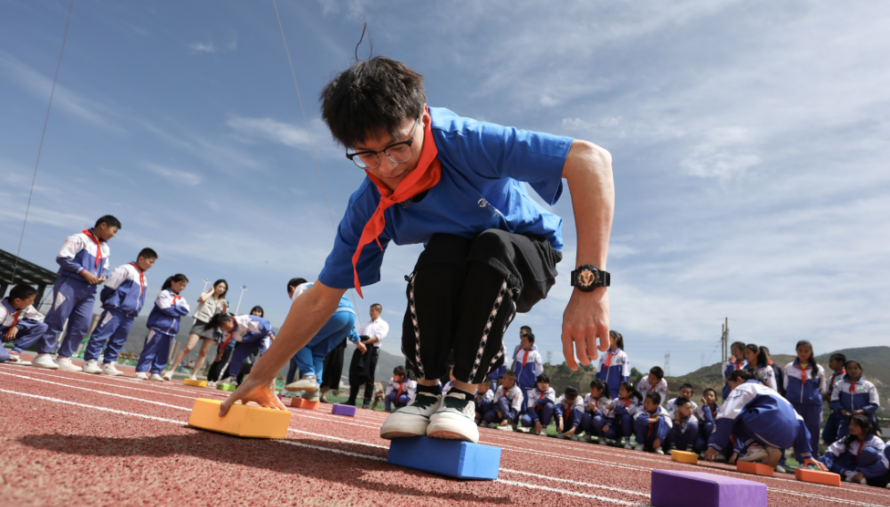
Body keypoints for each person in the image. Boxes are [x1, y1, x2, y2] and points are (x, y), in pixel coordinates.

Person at [218, 57, 614, 448]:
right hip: (457, 262)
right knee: (440, 252)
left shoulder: (465, 141)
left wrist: (590, 287)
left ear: (423, 118)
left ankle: (461, 397)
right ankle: (425, 396)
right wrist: (260, 376)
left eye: (398, 147)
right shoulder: (370, 201)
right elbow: (322, 296)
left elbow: (589, 159)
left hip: (527, 252)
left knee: (489, 243)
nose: (388, 167)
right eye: (368, 156)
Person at [33, 215, 119, 371]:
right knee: (57, 318)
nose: (113, 235)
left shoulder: (105, 247)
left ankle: (63, 357)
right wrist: (84, 272)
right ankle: (43, 354)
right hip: (70, 284)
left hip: (89, 290)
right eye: (113, 231)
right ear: (103, 225)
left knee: (82, 324)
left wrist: (103, 275)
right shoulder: (79, 238)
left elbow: (105, 267)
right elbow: (63, 258)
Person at [704, 370, 819, 470]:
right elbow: (799, 420)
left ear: (739, 379)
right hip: (787, 437)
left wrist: (715, 445)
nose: (731, 390)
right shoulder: (774, 393)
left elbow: (727, 415)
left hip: (769, 427)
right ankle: (770, 448)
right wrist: (806, 454)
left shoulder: (742, 388)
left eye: (730, 386)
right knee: (751, 414)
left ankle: (755, 448)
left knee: (735, 414)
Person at [81, 248, 157, 376]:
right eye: (150, 261)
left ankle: (108, 364)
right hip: (116, 309)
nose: (151, 265)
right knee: (101, 334)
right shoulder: (125, 269)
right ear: (141, 258)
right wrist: (108, 302)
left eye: (153, 263)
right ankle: (90, 361)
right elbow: (110, 286)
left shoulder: (143, 277)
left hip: (130, 314)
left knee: (118, 340)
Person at [282, 278, 361, 400]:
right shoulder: (319, 286)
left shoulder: (300, 288)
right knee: (318, 354)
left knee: (300, 343)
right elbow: (344, 317)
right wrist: (357, 340)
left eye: (290, 296)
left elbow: (296, 316)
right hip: (350, 315)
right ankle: (314, 390)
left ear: (292, 288)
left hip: (334, 314)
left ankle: (308, 378)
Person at [165, 280, 229, 382]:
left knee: (203, 352)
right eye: (220, 286)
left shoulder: (223, 300)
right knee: (188, 347)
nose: (221, 289)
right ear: (215, 286)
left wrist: (225, 309)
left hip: (212, 326)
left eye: (224, 288)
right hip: (200, 323)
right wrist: (211, 291)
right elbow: (201, 299)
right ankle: (171, 371)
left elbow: (223, 316)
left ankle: (193, 375)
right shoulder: (206, 293)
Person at [135, 274, 190, 381]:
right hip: (158, 327)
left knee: (163, 353)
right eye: (180, 284)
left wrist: (173, 306)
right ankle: (141, 371)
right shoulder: (164, 294)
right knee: (150, 349)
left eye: (184, 286)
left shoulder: (181, 298)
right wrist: (178, 309)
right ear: (172, 282)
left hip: (171, 331)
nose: (182, 287)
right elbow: (165, 309)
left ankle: (156, 372)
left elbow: (186, 310)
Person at [783, 340, 827, 458]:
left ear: (811, 352)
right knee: (796, 431)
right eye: (800, 351)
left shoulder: (818, 369)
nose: (803, 353)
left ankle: (811, 460)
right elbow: (785, 386)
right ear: (796, 351)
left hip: (813, 406)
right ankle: (801, 459)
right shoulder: (789, 367)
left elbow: (822, 388)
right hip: (794, 404)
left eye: (806, 351)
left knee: (813, 432)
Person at [818, 414, 890, 486]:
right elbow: (832, 450)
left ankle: (860, 477)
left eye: (855, 425)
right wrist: (826, 466)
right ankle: (850, 475)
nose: (851, 427)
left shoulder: (876, 442)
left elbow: (884, 464)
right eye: (850, 424)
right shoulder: (848, 438)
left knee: (868, 451)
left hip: (870, 472)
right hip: (851, 469)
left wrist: (862, 473)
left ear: (866, 429)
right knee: (823, 460)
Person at [211, 312, 275, 383]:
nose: (227, 329)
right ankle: (232, 377)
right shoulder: (227, 332)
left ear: (231, 320)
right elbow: (224, 344)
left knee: (265, 355)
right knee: (237, 354)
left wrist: (274, 340)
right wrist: (219, 355)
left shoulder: (244, 320)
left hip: (264, 335)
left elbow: (265, 326)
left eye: (227, 327)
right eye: (224, 329)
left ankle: (266, 378)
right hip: (250, 340)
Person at [347, 303, 389, 409]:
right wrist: (360, 343)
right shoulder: (365, 324)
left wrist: (364, 342)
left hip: (372, 351)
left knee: (369, 377)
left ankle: (366, 402)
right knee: (355, 374)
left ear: (378, 311)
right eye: (370, 311)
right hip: (360, 350)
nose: (370, 313)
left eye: (372, 311)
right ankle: (351, 400)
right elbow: (358, 335)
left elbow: (378, 337)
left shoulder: (383, 324)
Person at [830, 360, 879, 438]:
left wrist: (863, 411)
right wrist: (841, 410)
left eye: (855, 368)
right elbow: (834, 401)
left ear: (860, 369)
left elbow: (874, 404)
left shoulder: (869, 385)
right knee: (844, 443)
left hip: (865, 421)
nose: (852, 370)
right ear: (846, 370)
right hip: (846, 421)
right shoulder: (839, 385)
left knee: (866, 443)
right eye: (849, 368)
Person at [0, 284, 48, 365]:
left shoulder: (26, 307)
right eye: (30, 300)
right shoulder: (1, 310)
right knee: (3, 357)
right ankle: (5, 355)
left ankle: (14, 353)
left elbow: (39, 319)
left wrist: (18, 326)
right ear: (18, 300)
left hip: (6, 334)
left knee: (42, 326)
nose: (32, 303)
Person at [601, 381, 640, 448]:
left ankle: (627, 441)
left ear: (629, 393)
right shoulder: (616, 401)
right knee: (607, 432)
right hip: (617, 425)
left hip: (629, 426)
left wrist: (614, 407)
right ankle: (617, 438)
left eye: (622, 390)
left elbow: (628, 411)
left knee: (626, 417)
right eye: (620, 389)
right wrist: (608, 424)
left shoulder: (634, 401)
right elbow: (611, 414)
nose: (620, 391)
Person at [512, 331, 544, 410]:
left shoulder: (535, 354)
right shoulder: (520, 352)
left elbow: (539, 371)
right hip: (519, 384)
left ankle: (527, 420)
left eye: (525, 341)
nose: (523, 343)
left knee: (527, 405)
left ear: (531, 342)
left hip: (529, 385)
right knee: (517, 403)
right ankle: (514, 421)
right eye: (522, 341)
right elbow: (517, 367)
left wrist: (532, 379)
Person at [821, 352, 847, 445]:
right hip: (834, 410)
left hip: (842, 410)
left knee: (842, 436)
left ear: (840, 363)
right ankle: (835, 453)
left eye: (832, 361)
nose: (830, 363)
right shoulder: (832, 376)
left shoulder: (846, 376)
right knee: (827, 435)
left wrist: (832, 397)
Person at [595, 330, 629, 401]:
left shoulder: (622, 356)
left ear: (615, 339)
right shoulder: (604, 355)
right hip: (602, 391)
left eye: (608, 338)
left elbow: (625, 375)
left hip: (615, 392)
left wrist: (623, 391)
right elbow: (598, 372)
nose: (606, 340)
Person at [694, 388, 719, 456]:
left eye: (711, 395)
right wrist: (706, 405)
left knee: (709, 425)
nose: (708, 397)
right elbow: (708, 420)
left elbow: (709, 422)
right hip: (702, 433)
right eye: (706, 395)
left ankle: (713, 450)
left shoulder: (720, 411)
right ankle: (705, 450)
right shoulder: (698, 409)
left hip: (715, 434)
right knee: (699, 445)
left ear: (716, 399)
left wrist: (703, 422)